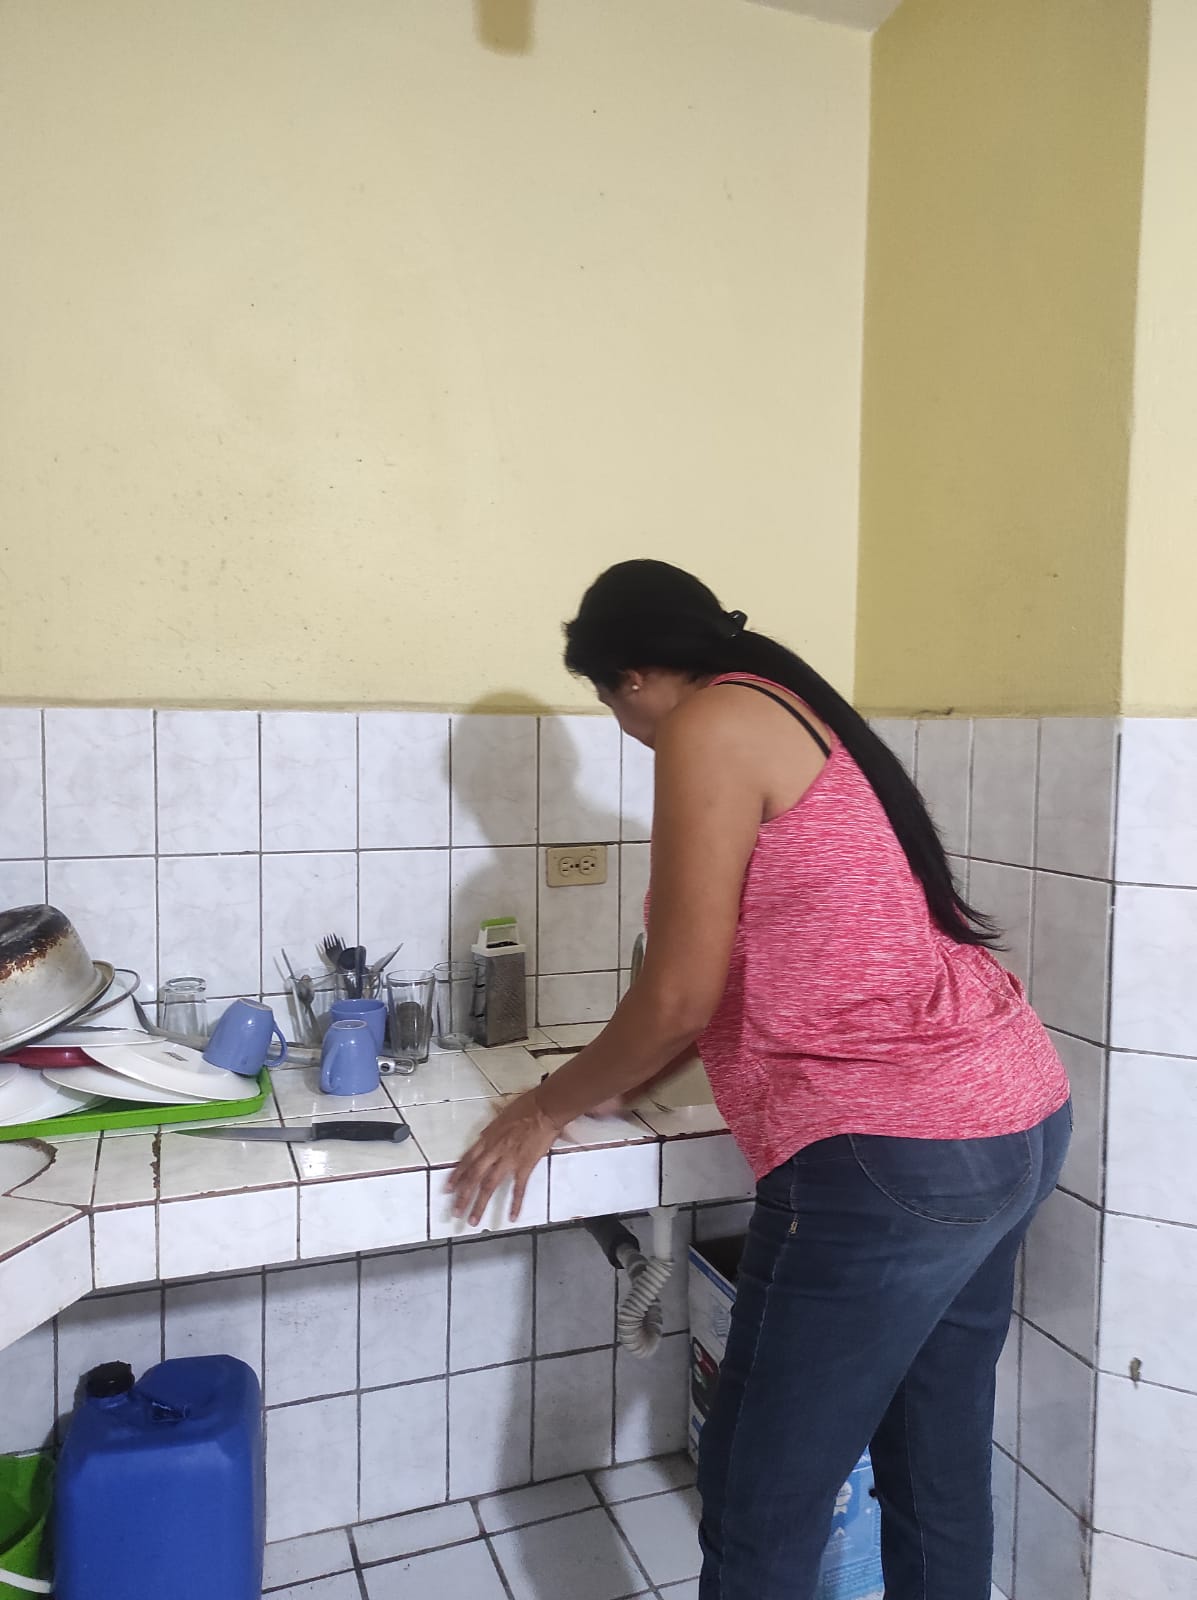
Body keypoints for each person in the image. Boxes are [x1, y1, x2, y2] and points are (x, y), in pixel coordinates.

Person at [449, 559, 1071, 1600]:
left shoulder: (707, 725)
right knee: (933, 1454)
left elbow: (677, 993)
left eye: (609, 702)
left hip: (892, 1153)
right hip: (1013, 1111)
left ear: (633, 676)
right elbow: (778, 962)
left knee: (760, 1500)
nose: (624, 728)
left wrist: (545, 1104)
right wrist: (630, 1071)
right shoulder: (796, 709)